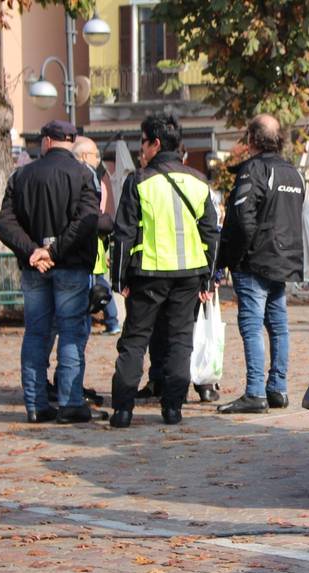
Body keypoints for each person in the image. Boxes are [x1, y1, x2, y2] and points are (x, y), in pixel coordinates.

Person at [108, 113, 219, 427]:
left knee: (135, 340)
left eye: (142, 142)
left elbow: (123, 233)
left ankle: (123, 411)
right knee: (181, 340)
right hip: (188, 275)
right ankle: (173, 409)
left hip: (148, 273)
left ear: (155, 144)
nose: (140, 149)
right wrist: (208, 278)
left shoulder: (139, 181)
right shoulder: (199, 181)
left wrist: (119, 279)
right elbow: (211, 233)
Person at [0, 119, 105, 424]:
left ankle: (35, 404)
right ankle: (70, 403)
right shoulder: (83, 174)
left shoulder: (22, 175)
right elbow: (86, 221)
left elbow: (5, 223)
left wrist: (34, 250)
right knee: (71, 333)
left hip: (36, 268)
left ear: (45, 141)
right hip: (70, 266)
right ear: (71, 142)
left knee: (36, 333)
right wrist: (53, 251)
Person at [216, 114, 304, 414]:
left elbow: (242, 221)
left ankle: (255, 393)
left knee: (252, 325)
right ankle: (277, 389)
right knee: (278, 325)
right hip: (284, 259)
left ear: (251, 139)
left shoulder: (253, 170)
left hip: (255, 260)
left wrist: (233, 258)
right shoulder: (293, 173)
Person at [72, 135, 121, 334]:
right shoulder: (92, 177)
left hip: (92, 243)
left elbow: (94, 214)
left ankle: (110, 321)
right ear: (84, 155)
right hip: (94, 243)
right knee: (99, 283)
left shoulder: (92, 178)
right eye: (95, 155)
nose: (98, 159)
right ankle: (111, 321)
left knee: (97, 283)